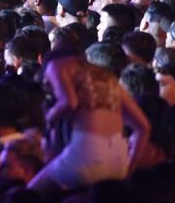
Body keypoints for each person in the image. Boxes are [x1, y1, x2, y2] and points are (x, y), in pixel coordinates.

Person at [29, 50, 150, 193]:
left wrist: (48, 119)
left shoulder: (57, 66)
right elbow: (144, 127)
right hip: (119, 159)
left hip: (88, 153)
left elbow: (69, 102)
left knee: (28, 193)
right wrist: (128, 169)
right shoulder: (109, 80)